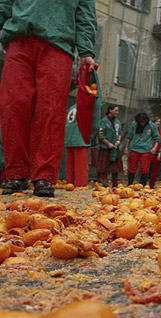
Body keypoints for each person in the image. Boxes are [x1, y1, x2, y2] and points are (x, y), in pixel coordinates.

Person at [0, 0, 97, 196]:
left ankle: (43, 175)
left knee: (50, 109)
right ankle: (16, 173)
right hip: (19, 39)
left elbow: (85, 14)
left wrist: (86, 50)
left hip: (58, 44)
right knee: (13, 106)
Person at [123, 113, 161, 186]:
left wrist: (154, 148)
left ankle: (143, 185)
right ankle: (130, 184)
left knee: (144, 169)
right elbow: (129, 137)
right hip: (134, 149)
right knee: (132, 168)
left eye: (143, 122)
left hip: (146, 150)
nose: (142, 123)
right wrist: (126, 147)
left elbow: (157, 138)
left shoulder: (151, 126)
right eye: (140, 122)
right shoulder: (134, 125)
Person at [95, 105, 123, 187]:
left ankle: (115, 183)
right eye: (116, 110)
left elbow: (120, 133)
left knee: (115, 167)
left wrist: (118, 140)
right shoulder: (103, 121)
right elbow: (101, 135)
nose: (117, 112)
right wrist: (108, 144)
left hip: (115, 147)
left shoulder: (118, 122)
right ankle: (104, 183)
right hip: (106, 148)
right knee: (104, 167)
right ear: (110, 110)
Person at [64, 104, 90, 187]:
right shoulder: (86, 105)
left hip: (69, 138)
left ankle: (69, 184)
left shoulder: (71, 107)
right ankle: (80, 186)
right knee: (81, 167)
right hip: (80, 139)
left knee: (69, 166)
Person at [149, 117, 161, 188]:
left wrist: (160, 152)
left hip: (157, 152)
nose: (158, 123)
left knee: (155, 170)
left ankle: (152, 183)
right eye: (156, 121)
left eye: (159, 121)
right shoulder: (149, 131)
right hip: (149, 151)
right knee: (146, 168)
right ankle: (142, 182)